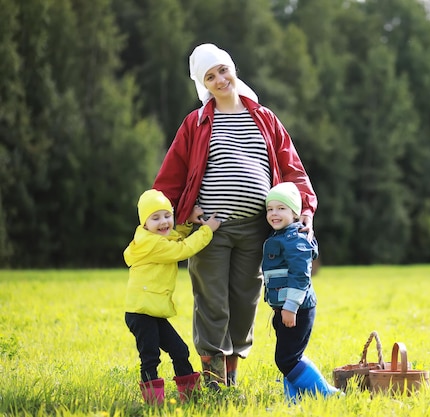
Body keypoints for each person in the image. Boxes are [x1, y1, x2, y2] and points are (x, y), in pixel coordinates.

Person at [152, 43, 317, 390]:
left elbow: (292, 168)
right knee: (212, 302)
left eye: (223, 70)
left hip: (259, 229)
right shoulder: (196, 122)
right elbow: (170, 177)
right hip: (210, 230)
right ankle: (212, 384)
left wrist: (305, 209)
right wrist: (180, 212)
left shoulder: (265, 117)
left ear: (233, 69)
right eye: (210, 76)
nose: (220, 79)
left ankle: (230, 379)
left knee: (245, 302)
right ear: (204, 84)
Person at [124, 189, 221, 405]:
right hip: (141, 313)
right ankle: (154, 405)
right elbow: (182, 250)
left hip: (152, 310)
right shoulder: (153, 244)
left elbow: (175, 238)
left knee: (179, 350)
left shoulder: (155, 238)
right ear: (144, 224)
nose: (163, 222)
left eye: (167, 215)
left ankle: (191, 399)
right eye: (155, 218)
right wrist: (206, 230)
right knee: (150, 358)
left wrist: (186, 224)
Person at [262, 182, 339, 401]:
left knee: (287, 360)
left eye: (281, 208)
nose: (274, 213)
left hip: (297, 308)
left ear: (295, 213)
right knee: (291, 357)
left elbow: (301, 276)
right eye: (270, 209)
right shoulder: (278, 236)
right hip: (284, 308)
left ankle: (326, 394)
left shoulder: (295, 239)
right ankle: (292, 401)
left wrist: (290, 306)